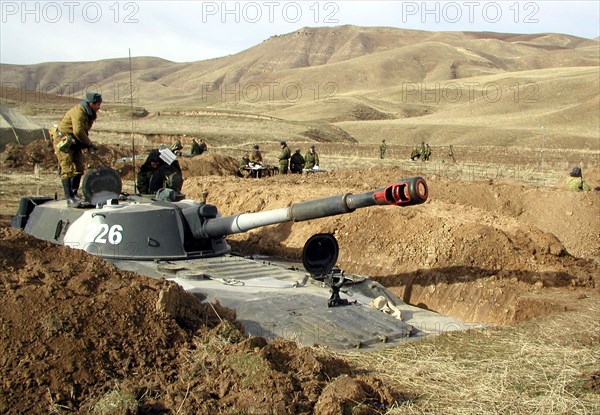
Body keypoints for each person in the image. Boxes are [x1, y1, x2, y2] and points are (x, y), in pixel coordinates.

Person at [52, 91, 101, 206]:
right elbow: (78, 130)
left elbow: (84, 131)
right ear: (90, 103)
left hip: (75, 142)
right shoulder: (79, 111)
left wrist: (87, 145)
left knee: (79, 167)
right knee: (67, 168)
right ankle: (69, 197)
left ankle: (74, 194)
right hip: (63, 140)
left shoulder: (90, 114)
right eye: (97, 104)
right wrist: (89, 144)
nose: (99, 107)